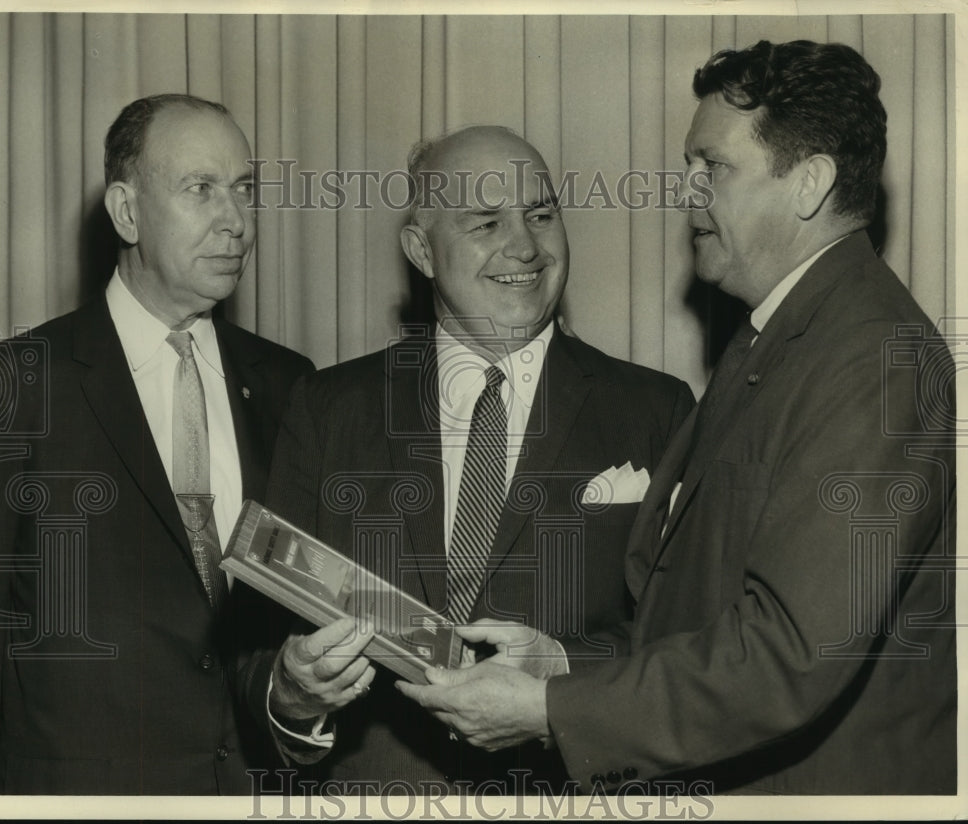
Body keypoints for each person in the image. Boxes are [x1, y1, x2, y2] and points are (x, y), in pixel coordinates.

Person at [398, 41, 957, 795]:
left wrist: (549, 708)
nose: (686, 193)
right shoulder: (782, 334)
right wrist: (561, 662)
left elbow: (787, 656)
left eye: (712, 169)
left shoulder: (873, 357)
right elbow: (696, 612)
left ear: (810, 183)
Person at [261, 125, 695, 792]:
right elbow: (256, 646)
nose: (525, 246)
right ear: (421, 251)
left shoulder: (656, 409)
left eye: (542, 215)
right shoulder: (327, 406)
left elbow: (692, 642)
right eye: (486, 222)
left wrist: (559, 667)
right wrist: (294, 697)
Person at [0, 93, 314, 794]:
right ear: (127, 212)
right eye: (202, 190)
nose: (236, 222)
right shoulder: (16, 385)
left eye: (244, 190)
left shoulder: (290, 384)